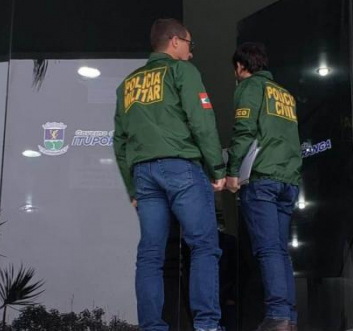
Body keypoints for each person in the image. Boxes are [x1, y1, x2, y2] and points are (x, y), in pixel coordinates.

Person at [113, 18, 226, 331]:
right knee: (203, 246)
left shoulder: (128, 84)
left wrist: (132, 188)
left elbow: (119, 141)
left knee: (151, 255)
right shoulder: (182, 71)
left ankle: (152, 327)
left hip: (144, 175)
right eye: (190, 43)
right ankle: (206, 325)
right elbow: (201, 121)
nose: (191, 52)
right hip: (181, 167)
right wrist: (217, 168)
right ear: (175, 41)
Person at [225, 43, 302, 331]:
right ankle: (289, 317)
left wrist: (232, 172)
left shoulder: (249, 87)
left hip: (262, 179)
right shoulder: (285, 94)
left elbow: (244, 130)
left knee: (268, 249)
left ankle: (278, 314)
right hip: (288, 179)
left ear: (240, 66)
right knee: (281, 251)